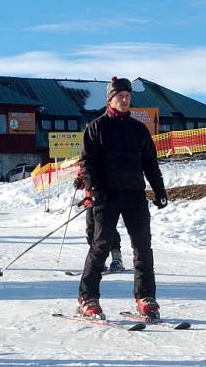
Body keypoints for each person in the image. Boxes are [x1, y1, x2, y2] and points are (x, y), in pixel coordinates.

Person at [76, 76, 168, 320]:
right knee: (101, 245)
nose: (125, 100)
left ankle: (145, 297)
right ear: (110, 99)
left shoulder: (138, 129)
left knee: (142, 247)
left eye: (128, 96)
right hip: (106, 195)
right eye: (121, 96)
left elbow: (150, 163)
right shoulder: (96, 128)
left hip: (134, 194)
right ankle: (88, 298)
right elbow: (86, 162)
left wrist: (159, 190)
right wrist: (93, 188)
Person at [73, 169, 125, 272]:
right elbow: (83, 175)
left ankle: (116, 258)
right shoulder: (87, 159)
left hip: (106, 200)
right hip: (90, 201)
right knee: (91, 231)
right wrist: (79, 182)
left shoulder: (108, 156)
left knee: (108, 228)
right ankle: (98, 260)